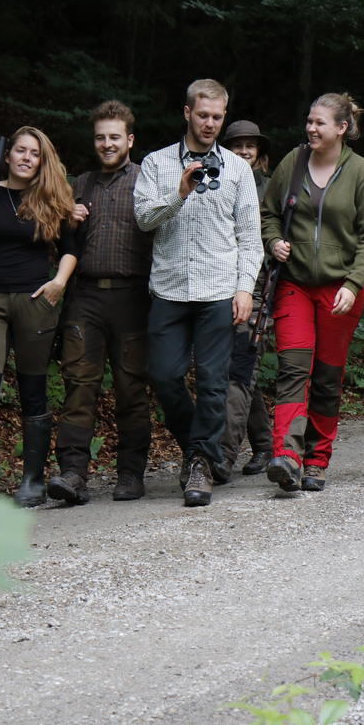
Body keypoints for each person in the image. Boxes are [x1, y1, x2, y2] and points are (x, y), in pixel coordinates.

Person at [133, 79, 263, 507]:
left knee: (212, 384)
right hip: (169, 289)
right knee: (165, 377)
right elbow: (144, 219)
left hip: (218, 290)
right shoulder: (155, 163)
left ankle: (200, 464)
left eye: (217, 117)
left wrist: (245, 289)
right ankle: (197, 444)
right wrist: (180, 191)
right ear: (187, 112)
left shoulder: (239, 169)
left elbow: (250, 237)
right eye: (203, 115)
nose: (210, 124)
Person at [0, 125, 79, 507]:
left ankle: (33, 482)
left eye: (34, 153)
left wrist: (58, 283)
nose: (26, 158)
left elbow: (70, 249)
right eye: (20, 150)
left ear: (42, 160)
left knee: (32, 391)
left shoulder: (52, 198)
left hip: (35, 302)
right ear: (8, 155)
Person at [262, 93, 364, 493]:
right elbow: (269, 212)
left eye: (320, 123)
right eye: (309, 121)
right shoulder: (291, 164)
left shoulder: (362, 173)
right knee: (294, 368)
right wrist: (274, 239)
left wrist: (353, 283)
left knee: (328, 377)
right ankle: (287, 456)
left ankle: (316, 459)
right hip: (294, 283)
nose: (311, 128)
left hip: (340, 289)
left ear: (342, 128)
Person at [48, 101, 154, 506]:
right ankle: (73, 473)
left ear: (129, 139)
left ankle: (130, 473)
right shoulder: (81, 184)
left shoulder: (147, 180)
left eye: (114, 137)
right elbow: (60, 243)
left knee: (131, 388)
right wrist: (67, 223)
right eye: (100, 137)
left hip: (132, 297)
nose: (106, 144)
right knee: (79, 386)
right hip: (85, 297)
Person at [218, 120, 274, 478]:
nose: (244, 151)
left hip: (257, 288)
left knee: (239, 366)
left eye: (250, 145)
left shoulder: (271, 189)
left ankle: (223, 454)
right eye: (237, 145)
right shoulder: (215, 182)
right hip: (215, 286)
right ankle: (266, 445)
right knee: (235, 367)